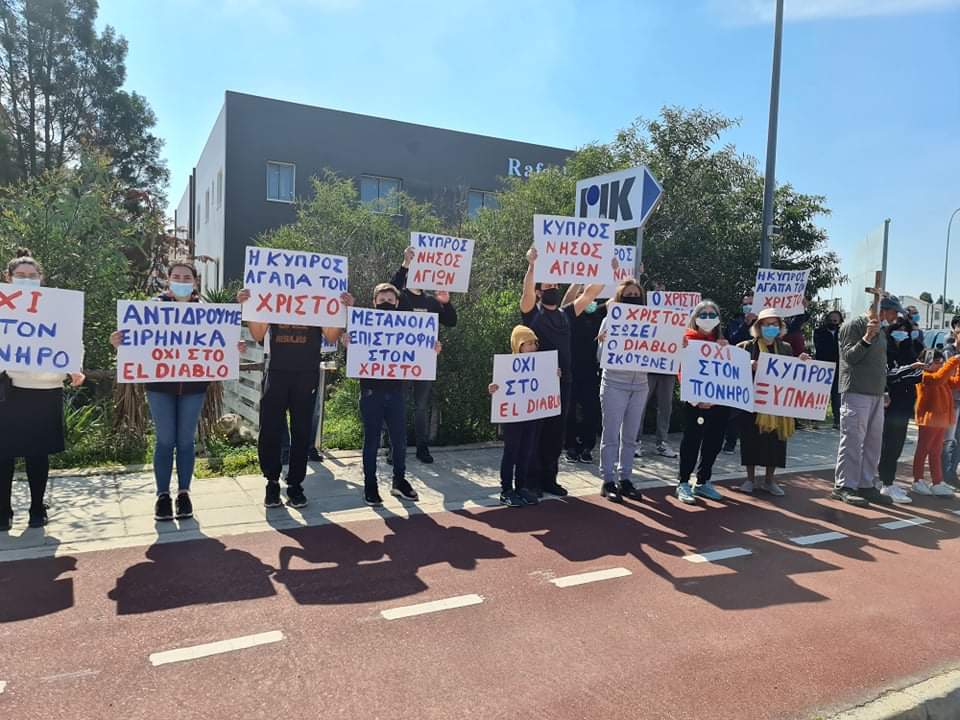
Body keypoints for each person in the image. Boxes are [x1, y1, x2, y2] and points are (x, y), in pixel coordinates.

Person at [111, 261, 239, 521]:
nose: (182, 280)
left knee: (185, 441)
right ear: (168, 280)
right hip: (160, 386)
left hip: (194, 386)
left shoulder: (207, 312)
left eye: (186, 277)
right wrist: (118, 342)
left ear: (195, 281)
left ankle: (183, 494)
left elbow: (221, 342)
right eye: (177, 276)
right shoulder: (151, 308)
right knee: (165, 440)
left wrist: (235, 347)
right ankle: (162, 496)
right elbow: (135, 341)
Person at [237, 288, 352, 510]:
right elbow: (258, 335)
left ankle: (295, 485)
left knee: (301, 432)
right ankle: (272, 482)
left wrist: (342, 310)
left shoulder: (318, 300)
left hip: (306, 374)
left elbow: (331, 336)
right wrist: (248, 306)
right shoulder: (273, 297)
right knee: (270, 429)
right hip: (277, 372)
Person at [1, 249, 85, 530]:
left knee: (38, 453)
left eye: (31, 275)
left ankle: (37, 508)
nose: (26, 279)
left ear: (41, 277)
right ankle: (3, 512)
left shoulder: (58, 306)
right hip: (8, 390)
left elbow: (73, 340)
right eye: (20, 275)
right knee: (3, 454)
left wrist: (75, 367)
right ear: (8, 277)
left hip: (47, 389)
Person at [519, 247, 608, 497]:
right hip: (538, 382)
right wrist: (532, 265)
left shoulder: (566, 313)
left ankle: (550, 479)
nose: (554, 287)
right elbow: (526, 293)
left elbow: (590, 293)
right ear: (539, 291)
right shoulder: (532, 313)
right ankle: (531, 482)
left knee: (556, 433)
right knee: (536, 432)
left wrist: (606, 270)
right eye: (549, 285)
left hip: (563, 381)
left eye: (556, 284)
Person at [345, 282, 440, 506]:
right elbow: (355, 356)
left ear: (397, 303)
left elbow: (418, 354)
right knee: (371, 442)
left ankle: (399, 481)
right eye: (382, 300)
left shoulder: (407, 329)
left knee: (399, 441)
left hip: (396, 392)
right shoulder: (364, 327)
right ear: (374, 303)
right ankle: (370, 486)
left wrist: (431, 351)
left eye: (389, 300)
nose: (386, 303)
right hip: (371, 393)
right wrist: (348, 344)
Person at [832, 295, 902, 507]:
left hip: (876, 394)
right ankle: (844, 485)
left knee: (873, 442)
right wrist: (866, 338)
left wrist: (884, 390)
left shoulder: (881, 330)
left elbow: (880, 364)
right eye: (894, 312)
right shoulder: (853, 325)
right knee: (853, 440)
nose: (896, 317)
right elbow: (849, 357)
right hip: (856, 390)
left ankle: (865, 484)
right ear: (882, 309)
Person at [390, 247, 458, 463]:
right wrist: (405, 263)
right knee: (398, 405)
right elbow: (390, 288)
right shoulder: (400, 298)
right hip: (401, 361)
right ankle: (394, 448)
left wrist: (446, 302)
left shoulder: (431, 301)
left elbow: (451, 321)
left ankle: (422, 448)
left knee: (421, 407)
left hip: (425, 362)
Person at [737, 309, 811, 496]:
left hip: (777, 403)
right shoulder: (746, 346)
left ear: (780, 327)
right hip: (753, 402)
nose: (771, 328)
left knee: (776, 443)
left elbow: (791, 372)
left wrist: (801, 362)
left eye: (774, 324)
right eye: (767, 324)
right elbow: (732, 365)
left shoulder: (785, 348)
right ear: (758, 327)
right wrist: (748, 365)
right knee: (750, 440)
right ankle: (750, 479)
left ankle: (769, 481)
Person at [595, 279, 649, 503]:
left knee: (630, 437)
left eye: (636, 295)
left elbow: (661, 352)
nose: (632, 298)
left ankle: (625, 479)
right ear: (619, 297)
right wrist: (604, 342)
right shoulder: (609, 320)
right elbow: (600, 357)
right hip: (614, 383)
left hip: (640, 385)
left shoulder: (651, 322)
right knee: (611, 435)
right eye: (628, 295)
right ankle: (608, 480)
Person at [676, 300, 730, 504]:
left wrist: (726, 351)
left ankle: (703, 481)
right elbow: (681, 371)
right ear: (695, 318)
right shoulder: (686, 340)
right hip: (695, 404)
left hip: (719, 404)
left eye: (712, 315)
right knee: (691, 442)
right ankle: (683, 482)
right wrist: (696, 400)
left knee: (714, 443)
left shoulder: (722, 343)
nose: (708, 318)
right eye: (703, 314)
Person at [488, 325, 544, 507]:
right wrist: (493, 388)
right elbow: (497, 386)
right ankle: (506, 490)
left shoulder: (540, 365)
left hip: (530, 414)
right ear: (518, 345)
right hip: (513, 417)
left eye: (534, 343)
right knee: (511, 452)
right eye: (528, 344)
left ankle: (521, 487)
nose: (532, 347)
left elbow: (544, 384)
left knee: (526, 451)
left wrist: (554, 375)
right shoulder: (507, 366)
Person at [877, 317, 924, 504]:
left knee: (898, 443)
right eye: (899, 330)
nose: (902, 334)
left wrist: (906, 372)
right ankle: (886, 482)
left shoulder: (908, 350)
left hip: (905, 402)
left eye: (906, 331)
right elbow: (889, 375)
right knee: (889, 443)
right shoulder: (886, 350)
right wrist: (907, 371)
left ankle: (888, 480)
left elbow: (917, 375)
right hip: (890, 403)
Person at [561, 284, 603, 463]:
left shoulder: (598, 313)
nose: (584, 296)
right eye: (580, 294)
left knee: (590, 410)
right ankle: (570, 446)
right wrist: (577, 280)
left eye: (586, 293)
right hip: (569, 370)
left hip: (590, 370)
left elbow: (619, 301)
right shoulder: (567, 315)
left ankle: (587, 447)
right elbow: (565, 302)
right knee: (569, 410)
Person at [912, 349, 960, 497]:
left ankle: (937, 481)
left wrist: (958, 366)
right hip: (929, 419)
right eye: (936, 362)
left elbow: (955, 382)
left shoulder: (939, 375)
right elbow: (938, 379)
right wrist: (954, 360)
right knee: (923, 449)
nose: (940, 365)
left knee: (936, 451)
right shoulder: (924, 376)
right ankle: (918, 480)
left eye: (941, 362)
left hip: (941, 420)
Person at [722, 292, 756, 454]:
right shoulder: (734, 322)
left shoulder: (764, 323)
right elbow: (733, 340)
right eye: (745, 303)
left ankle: (753, 441)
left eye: (751, 303)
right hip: (738, 369)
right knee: (735, 408)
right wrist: (746, 324)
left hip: (759, 370)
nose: (748, 306)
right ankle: (730, 441)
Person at [814, 310, 844, 428]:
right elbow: (820, 347)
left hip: (838, 367)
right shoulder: (819, 331)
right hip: (823, 367)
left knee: (836, 395)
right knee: (821, 394)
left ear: (840, 320)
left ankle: (837, 421)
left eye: (835, 320)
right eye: (831, 319)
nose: (833, 322)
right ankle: (816, 420)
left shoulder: (842, 332)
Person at [941, 315, 960, 484]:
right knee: (948, 439)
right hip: (952, 400)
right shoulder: (949, 351)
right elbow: (947, 376)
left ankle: (952, 473)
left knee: (958, 439)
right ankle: (943, 475)